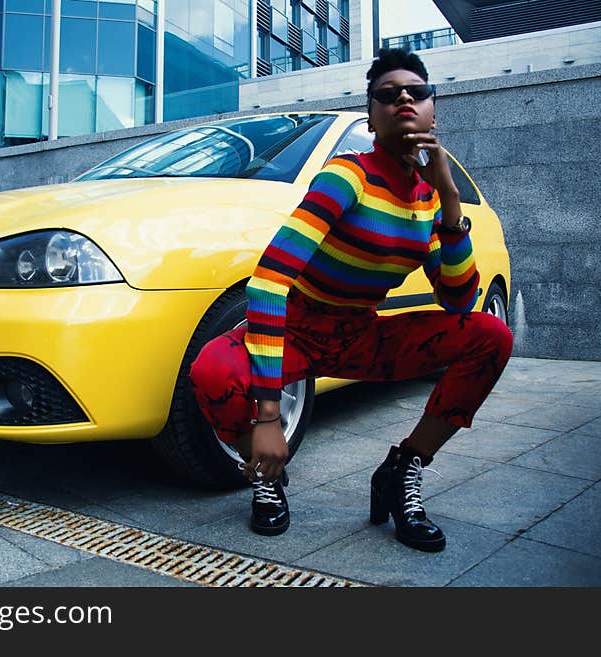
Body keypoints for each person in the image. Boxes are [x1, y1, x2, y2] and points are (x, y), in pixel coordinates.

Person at [189, 48, 513, 552]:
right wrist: (269, 418)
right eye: (387, 94)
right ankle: (266, 472)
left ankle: (403, 468)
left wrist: (450, 202)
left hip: (361, 335)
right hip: (298, 325)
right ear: (372, 117)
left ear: (433, 109)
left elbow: (459, 300)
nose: (403, 96)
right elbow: (270, 280)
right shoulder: (348, 175)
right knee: (212, 371)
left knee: (490, 336)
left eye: (416, 91)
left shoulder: (428, 201)